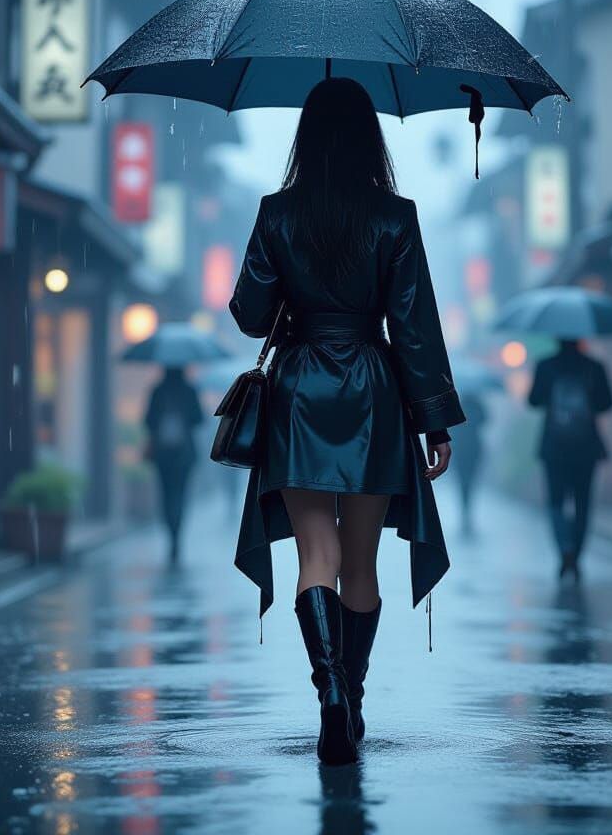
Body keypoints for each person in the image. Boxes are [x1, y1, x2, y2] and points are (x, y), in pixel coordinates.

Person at [229, 77, 465, 766]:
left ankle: (326, 688)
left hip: (300, 388)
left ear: (305, 137)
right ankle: (352, 695)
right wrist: (435, 421)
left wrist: (292, 286)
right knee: (361, 562)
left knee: (315, 556)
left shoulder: (277, 213)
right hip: (373, 389)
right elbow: (414, 325)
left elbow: (249, 315)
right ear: (370, 137)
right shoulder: (396, 215)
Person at [527, 339, 612, 581]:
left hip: (553, 446)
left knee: (555, 502)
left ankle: (564, 549)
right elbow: (608, 403)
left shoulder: (545, 366)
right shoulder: (593, 367)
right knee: (582, 503)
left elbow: (533, 400)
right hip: (585, 447)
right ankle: (576, 556)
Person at [144, 366, 204, 565]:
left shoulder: (158, 391)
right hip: (184, 454)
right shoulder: (189, 391)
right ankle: (176, 536)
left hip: (163, 454)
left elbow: (148, 421)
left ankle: (172, 533)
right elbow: (199, 419)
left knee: (166, 494)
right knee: (180, 495)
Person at [453, 393, 487, 535]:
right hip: (472, 449)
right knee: (468, 483)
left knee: (464, 483)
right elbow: (486, 421)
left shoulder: (458, 406)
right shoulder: (478, 407)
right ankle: (467, 513)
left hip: (461, 448)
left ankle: (465, 513)